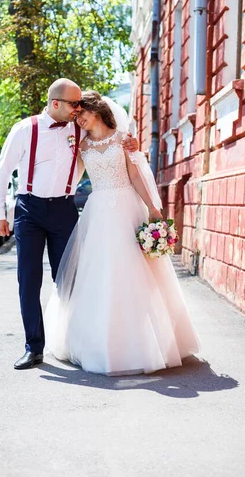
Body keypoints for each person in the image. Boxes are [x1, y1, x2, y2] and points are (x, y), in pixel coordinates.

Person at [45, 91, 200, 376]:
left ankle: (149, 342)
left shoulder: (122, 140)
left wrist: (154, 208)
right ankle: (100, 344)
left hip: (127, 207)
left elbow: (136, 175)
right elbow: (70, 177)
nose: (78, 119)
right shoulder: (81, 147)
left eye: (82, 114)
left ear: (97, 110)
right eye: (76, 115)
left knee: (137, 273)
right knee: (99, 275)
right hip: (99, 212)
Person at [0, 79, 138, 370]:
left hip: (63, 209)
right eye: (74, 104)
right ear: (55, 103)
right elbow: (3, 171)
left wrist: (130, 141)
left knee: (69, 278)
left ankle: (74, 341)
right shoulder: (25, 129)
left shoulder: (79, 127)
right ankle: (33, 347)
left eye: (80, 104)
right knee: (28, 280)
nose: (78, 109)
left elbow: (108, 135)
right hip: (29, 209)